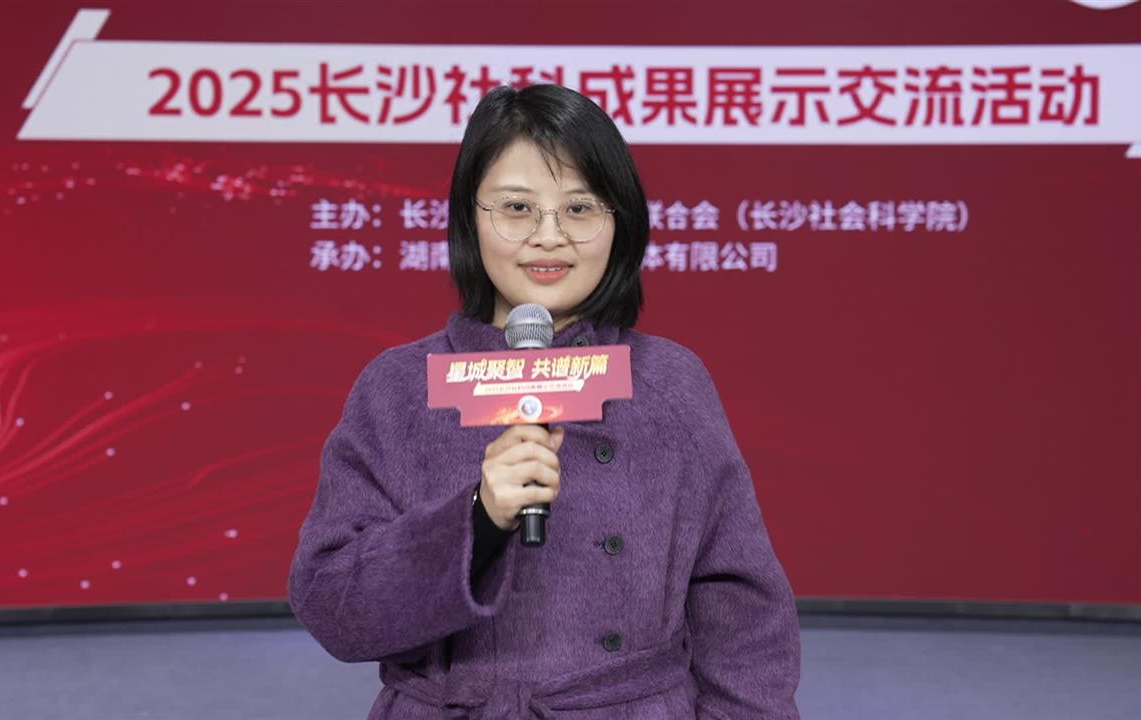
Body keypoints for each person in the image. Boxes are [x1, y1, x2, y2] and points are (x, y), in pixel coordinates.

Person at [288, 84, 800, 719]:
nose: (549, 237)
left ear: (620, 222)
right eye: (517, 208)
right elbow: (333, 607)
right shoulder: (399, 388)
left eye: (579, 208)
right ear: (470, 218)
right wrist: (477, 519)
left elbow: (743, 610)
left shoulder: (670, 382)